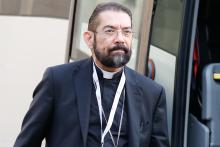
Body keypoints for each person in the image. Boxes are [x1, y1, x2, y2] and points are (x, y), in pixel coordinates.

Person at [14, 2, 169, 147]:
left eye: (126, 32)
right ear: (89, 39)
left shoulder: (152, 93)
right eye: (110, 31)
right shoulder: (57, 81)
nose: (120, 39)